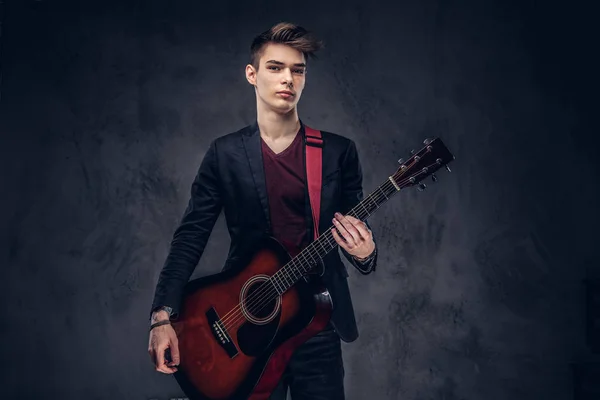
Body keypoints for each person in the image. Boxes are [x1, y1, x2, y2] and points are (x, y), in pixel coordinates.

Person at [147, 22, 379, 400]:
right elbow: (190, 236)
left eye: (298, 69)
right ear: (252, 75)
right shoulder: (224, 154)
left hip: (316, 324)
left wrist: (366, 253)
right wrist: (162, 316)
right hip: (242, 327)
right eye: (275, 67)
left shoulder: (338, 152)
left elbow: (358, 231)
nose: (288, 78)